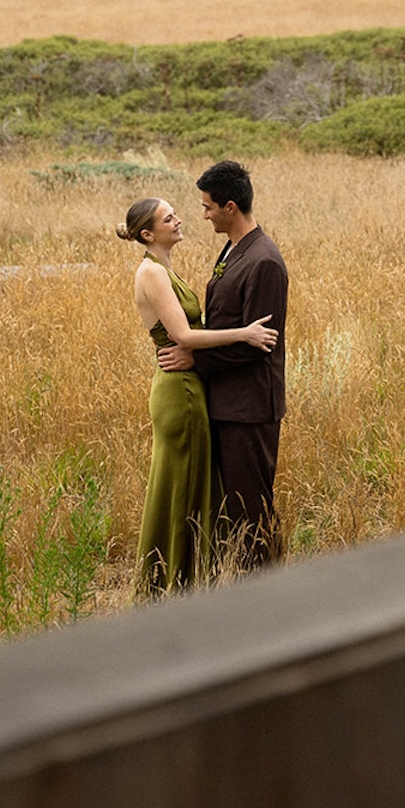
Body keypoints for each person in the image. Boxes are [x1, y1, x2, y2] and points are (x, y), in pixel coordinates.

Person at [117, 195, 277, 595]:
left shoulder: (164, 269)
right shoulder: (152, 273)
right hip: (181, 393)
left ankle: (188, 581)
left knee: (187, 485)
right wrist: (245, 333)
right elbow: (184, 337)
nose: (179, 220)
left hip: (190, 387)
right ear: (148, 233)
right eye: (168, 218)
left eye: (175, 214)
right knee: (181, 486)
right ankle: (169, 585)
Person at [158, 160, 289, 568]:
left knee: (252, 508)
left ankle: (266, 587)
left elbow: (257, 344)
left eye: (208, 207)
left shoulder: (263, 261)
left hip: (249, 407)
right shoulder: (235, 249)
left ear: (230, 207)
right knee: (233, 505)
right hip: (227, 401)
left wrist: (196, 357)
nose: (203, 214)